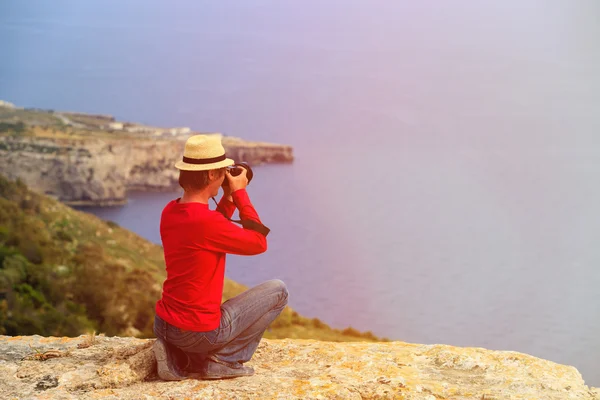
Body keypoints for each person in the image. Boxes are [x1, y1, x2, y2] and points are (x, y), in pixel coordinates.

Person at [153, 134, 289, 380]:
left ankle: (179, 353)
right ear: (212, 175)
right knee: (278, 291)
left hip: (164, 324)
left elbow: (211, 229)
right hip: (197, 332)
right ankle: (224, 360)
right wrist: (239, 194)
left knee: (205, 315)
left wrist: (226, 197)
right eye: (222, 171)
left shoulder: (171, 210)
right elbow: (259, 243)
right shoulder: (207, 223)